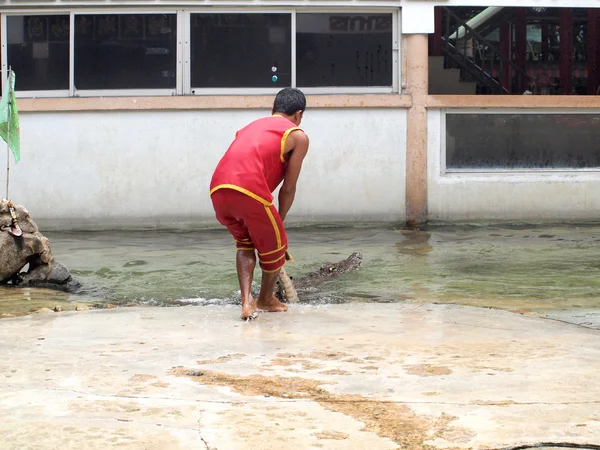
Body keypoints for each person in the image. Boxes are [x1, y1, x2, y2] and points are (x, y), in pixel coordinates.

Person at [209, 88, 310, 320]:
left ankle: (246, 302)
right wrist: (279, 221)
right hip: (249, 189)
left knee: (244, 243)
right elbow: (288, 188)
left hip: (218, 189)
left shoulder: (251, 126)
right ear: (298, 115)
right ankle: (265, 299)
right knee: (277, 244)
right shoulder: (298, 135)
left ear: (272, 110)